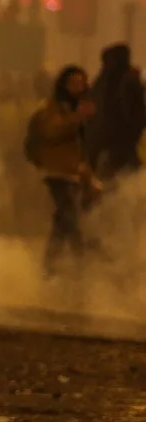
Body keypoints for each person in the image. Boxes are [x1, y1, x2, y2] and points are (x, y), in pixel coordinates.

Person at [25, 66, 98, 278]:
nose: (79, 87)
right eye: (75, 82)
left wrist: (89, 177)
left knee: (62, 224)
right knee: (71, 220)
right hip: (56, 172)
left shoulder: (81, 109)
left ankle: (48, 269)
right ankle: (82, 269)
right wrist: (76, 118)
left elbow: (81, 148)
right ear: (64, 85)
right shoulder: (54, 107)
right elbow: (51, 131)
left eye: (82, 82)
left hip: (74, 173)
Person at [85, 43, 146, 182]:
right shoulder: (128, 80)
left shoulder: (101, 82)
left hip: (101, 146)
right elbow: (135, 113)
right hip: (121, 146)